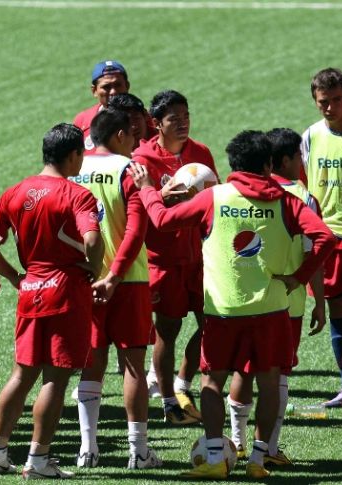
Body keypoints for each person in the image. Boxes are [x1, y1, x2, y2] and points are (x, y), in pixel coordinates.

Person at [128, 130, 335, 479]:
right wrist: (299, 277)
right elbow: (325, 237)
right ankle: (257, 460)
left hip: (223, 312)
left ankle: (214, 458)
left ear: (233, 164)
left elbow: (162, 220)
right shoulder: (286, 202)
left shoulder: (215, 197)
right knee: (269, 385)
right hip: (271, 311)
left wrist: (146, 188)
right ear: (268, 164)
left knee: (212, 384)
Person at [0, 123, 104, 479]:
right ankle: (38, 459)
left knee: (21, 374)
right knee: (55, 379)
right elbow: (92, 240)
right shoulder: (77, 195)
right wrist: (95, 270)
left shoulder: (17, 191)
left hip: (30, 291)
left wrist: (14, 275)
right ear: (74, 155)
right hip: (66, 291)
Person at [227, 128, 326, 465]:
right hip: (287, 301)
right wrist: (318, 300)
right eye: (300, 156)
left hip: (240, 297)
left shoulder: (233, 193)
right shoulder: (300, 199)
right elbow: (317, 249)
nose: (303, 163)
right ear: (281, 160)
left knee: (242, 369)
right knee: (278, 375)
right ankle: (268, 449)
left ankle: (237, 443)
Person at [70, 108, 162, 470]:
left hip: (85, 280)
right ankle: (138, 451)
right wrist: (117, 275)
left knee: (91, 363)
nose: (138, 140)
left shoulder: (73, 169)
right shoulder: (129, 170)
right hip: (127, 282)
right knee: (133, 366)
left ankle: (87, 449)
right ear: (120, 135)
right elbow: (137, 229)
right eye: (134, 134)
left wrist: (93, 274)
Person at [133, 89, 219, 425]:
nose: (182, 124)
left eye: (186, 117)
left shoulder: (201, 153)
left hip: (201, 256)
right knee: (167, 330)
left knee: (212, 322)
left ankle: (184, 384)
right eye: (174, 119)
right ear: (156, 124)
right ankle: (169, 402)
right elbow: (137, 211)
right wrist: (160, 196)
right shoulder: (142, 160)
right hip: (163, 259)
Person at [300, 68, 342, 408]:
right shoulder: (310, 136)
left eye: (337, 100)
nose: (330, 107)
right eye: (323, 102)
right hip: (329, 239)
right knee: (338, 313)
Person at [73, 60, 154, 155]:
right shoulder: (82, 121)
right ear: (94, 90)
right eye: (106, 87)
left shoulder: (145, 118)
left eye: (118, 85)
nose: (113, 92)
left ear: (127, 86)